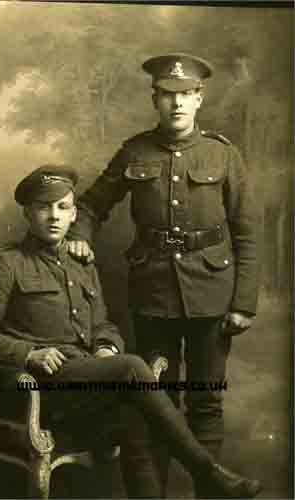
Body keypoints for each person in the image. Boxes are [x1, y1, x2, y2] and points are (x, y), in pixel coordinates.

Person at [0, 165, 261, 499]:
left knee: (136, 417)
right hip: (39, 388)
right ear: (28, 213)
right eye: (43, 207)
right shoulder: (5, 264)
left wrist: (106, 348)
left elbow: (102, 325)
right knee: (132, 368)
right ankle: (206, 473)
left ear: (75, 215)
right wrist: (29, 354)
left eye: (63, 207)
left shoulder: (81, 264)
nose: (53, 216)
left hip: (83, 383)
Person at [68, 53, 259, 498]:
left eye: (186, 95)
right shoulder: (135, 151)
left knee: (206, 400)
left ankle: (210, 494)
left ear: (199, 99)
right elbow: (94, 204)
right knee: (158, 402)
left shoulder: (223, 154)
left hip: (213, 293)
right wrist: (80, 233)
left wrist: (243, 302)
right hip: (153, 293)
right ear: (155, 100)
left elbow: (247, 232)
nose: (176, 104)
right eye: (167, 96)